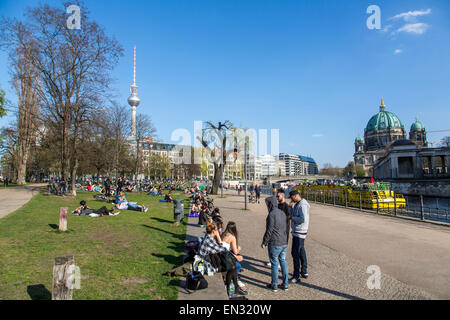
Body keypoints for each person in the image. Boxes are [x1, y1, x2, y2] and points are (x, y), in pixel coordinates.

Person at [198, 222, 248, 297]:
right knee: (231, 266)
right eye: (217, 230)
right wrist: (218, 236)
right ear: (213, 231)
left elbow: (220, 250)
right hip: (207, 265)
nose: (218, 231)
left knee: (232, 264)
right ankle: (231, 289)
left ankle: (236, 288)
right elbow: (222, 249)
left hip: (208, 260)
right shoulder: (209, 240)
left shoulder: (208, 237)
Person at [261, 196, 289, 292]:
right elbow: (285, 228)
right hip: (284, 241)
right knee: (283, 262)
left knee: (274, 264)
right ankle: (285, 284)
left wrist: (264, 242)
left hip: (275, 242)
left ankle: (275, 284)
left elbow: (269, 230)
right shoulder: (282, 213)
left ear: (270, 204)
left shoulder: (271, 215)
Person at [288, 189, 310, 283]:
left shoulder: (303, 205)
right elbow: (293, 213)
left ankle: (296, 275)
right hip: (297, 231)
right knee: (301, 251)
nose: (291, 199)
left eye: (292, 197)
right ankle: (304, 271)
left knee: (295, 253)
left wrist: (292, 218)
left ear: (296, 196)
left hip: (300, 231)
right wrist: (290, 208)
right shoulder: (297, 204)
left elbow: (302, 218)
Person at [266, 188, 291, 268]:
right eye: (276, 196)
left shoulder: (286, 206)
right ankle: (274, 260)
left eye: (278, 196)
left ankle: (279, 262)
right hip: (275, 228)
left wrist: (281, 219)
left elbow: (289, 216)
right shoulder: (277, 205)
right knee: (273, 243)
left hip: (284, 229)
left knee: (281, 245)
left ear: (283, 196)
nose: (277, 198)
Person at [221, 222, 245, 288]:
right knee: (238, 266)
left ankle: (234, 279)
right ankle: (235, 279)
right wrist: (239, 249)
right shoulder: (232, 237)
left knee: (236, 260)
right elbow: (235, 252)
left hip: (221, 255)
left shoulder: (223, 234)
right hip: (225, 257)